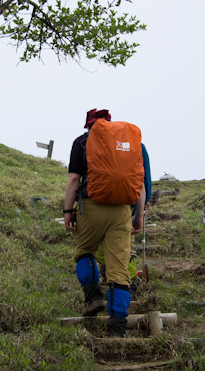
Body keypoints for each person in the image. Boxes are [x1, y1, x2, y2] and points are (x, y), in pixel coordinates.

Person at [64, 108, 147, 337]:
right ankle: (117, 327)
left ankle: (93, 298)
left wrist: (67, 210)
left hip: (91, 207)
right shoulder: (128, 144)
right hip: (121, 211)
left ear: (89, 125)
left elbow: (73, 179)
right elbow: (139, 184)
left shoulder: (82, 142)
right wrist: (138, 216)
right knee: (119, 270)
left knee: (84, 252)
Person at [96, 142, 152, 300]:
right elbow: (144, 178)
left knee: (104, 246)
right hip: (130, 206)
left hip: (102, 206)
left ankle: (114, 280)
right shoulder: (137, 146)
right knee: (128, 247)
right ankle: (129, 285)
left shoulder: (99, 145)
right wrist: (142, 206)